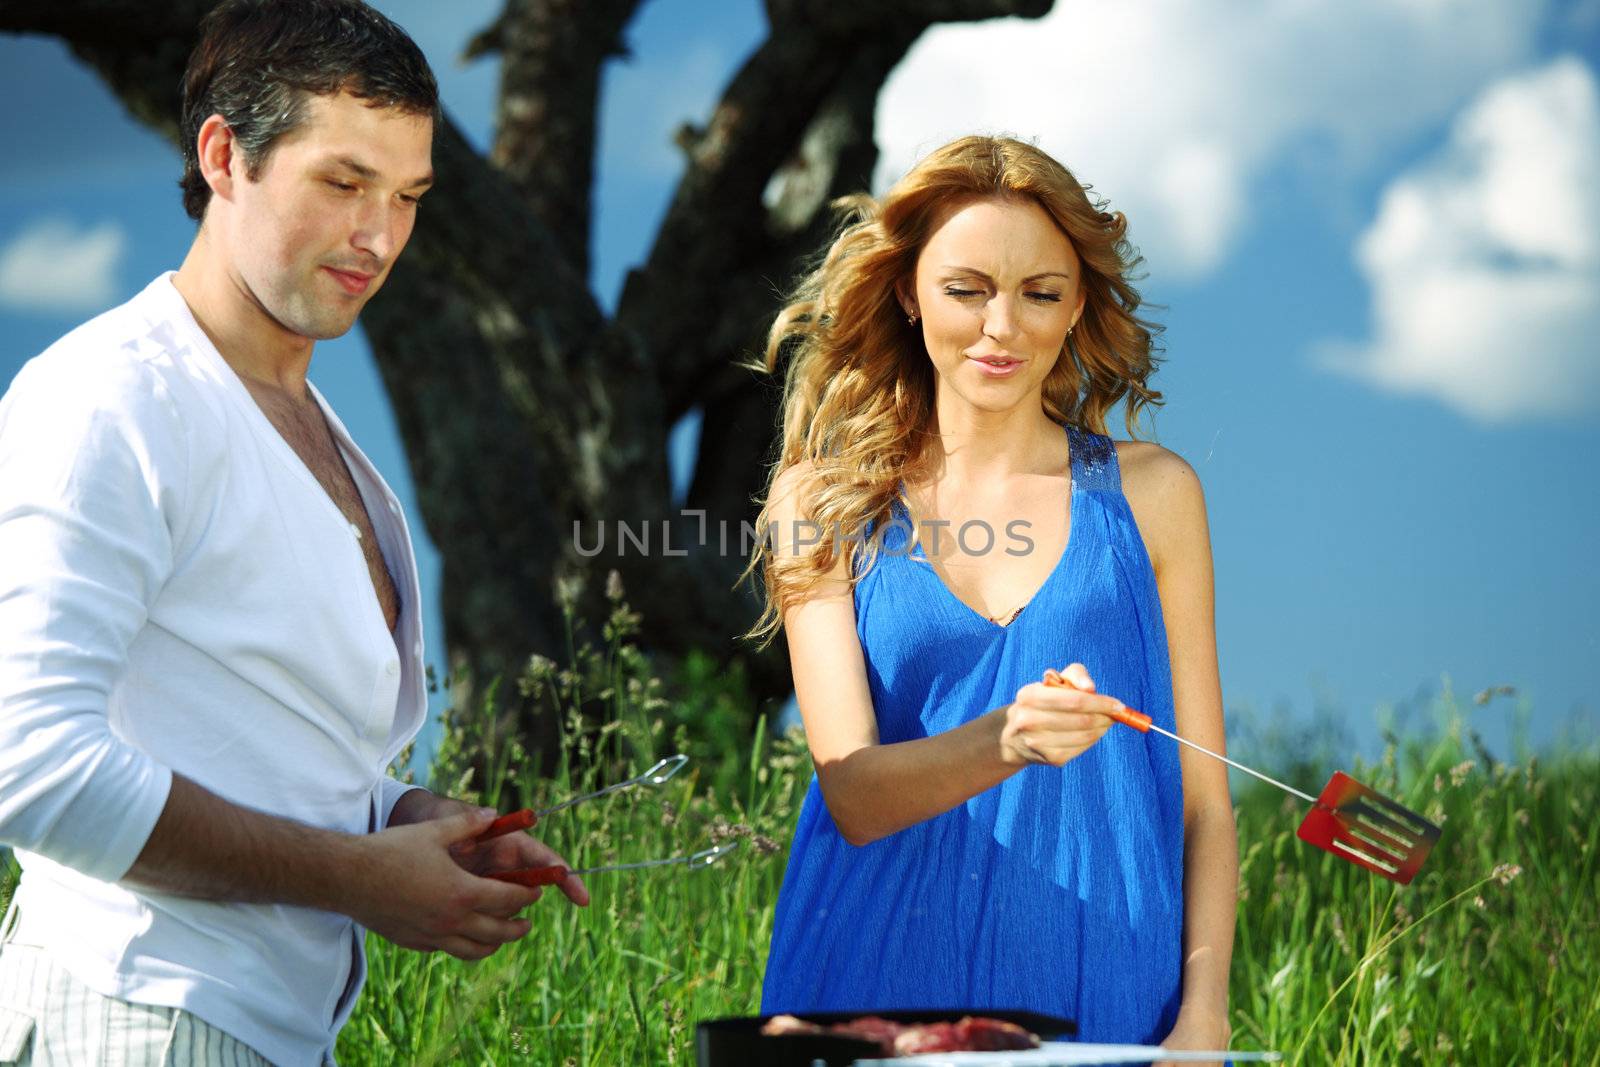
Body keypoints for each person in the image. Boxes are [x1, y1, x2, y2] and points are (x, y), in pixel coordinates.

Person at [0, 2, 585, 1064]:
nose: (379, 236)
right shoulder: (110, 398)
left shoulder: (318, 432)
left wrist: (410, 814)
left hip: (255, 1032)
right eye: (342, 181)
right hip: (134, 1014)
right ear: (224, 155)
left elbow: (269, 750)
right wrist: (362, 878)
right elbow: (26, 763)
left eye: (407, 197)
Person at [749, 135, 1238, 1059]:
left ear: (1077, 303)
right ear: (907, 292)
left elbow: (1205, 804)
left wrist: (1203, 1016)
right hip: (867, 982)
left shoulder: (1155, 495)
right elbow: (852, 789)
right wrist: (1006, 738)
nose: (1002, 327)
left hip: (1106, 994)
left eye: (1039, 293)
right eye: (966, 289)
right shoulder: (817, 502)